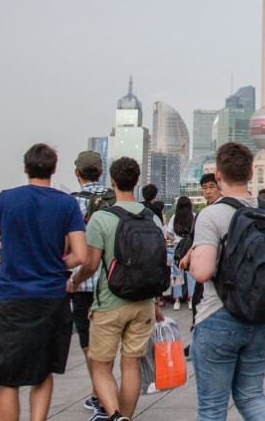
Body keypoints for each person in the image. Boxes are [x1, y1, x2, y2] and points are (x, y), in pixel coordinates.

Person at [0, 144, 88, 421]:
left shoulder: (5, 200)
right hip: (51, 298)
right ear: (54, 169)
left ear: (25, 168)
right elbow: (80, 255)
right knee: (42, 373)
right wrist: (57, 264)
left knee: (8, 379)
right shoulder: (66, 203)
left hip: (10, 298)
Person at [188, 142, 265, 421]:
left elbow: (202, 273)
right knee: (252, 396)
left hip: (219, 316)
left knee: (213, 408)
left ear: (217, 175)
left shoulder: (212, 214)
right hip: (263, 317)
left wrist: (194, 257)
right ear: (251, 173)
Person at [69, 157, 162, 421]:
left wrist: (75, 282)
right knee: (131, 365)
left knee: (100, 365)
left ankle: (114, 414)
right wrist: (156, 305)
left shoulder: (101, 218)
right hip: (143, 304)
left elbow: (90, 265)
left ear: (112, 181)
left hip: (110, 303)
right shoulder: (152, 218)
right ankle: (126, 417)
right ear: (137, 180)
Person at [66, 151, 109, 413]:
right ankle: (100, 389)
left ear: (77, 173)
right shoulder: (115, 199)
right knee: (107, 339)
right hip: (112, 283)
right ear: (101, 171)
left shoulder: (70, 203)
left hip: (80, 282)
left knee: (88, 341)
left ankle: (98, 390)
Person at [166, 195, 196, 310]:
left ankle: (177, 301)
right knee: (191, 274)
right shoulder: (194, 217)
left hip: (178, 248)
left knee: (178, 274)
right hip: (190, 249)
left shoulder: (174, 217)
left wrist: (177, 240)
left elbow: (168, 234)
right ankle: (191, 299)